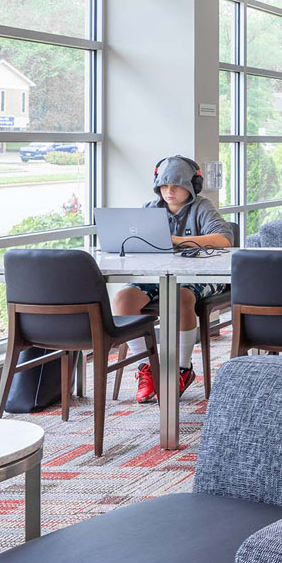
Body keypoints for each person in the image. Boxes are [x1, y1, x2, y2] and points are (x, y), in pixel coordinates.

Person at [111, 155, 233, 403]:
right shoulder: (149, 209)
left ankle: (182, 369)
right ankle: (148, 369)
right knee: (123, 299)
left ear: (192, 186)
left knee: (179, 297)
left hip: (200, 276)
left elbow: (224, 239)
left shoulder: (202, 207)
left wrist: (176, 241)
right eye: (164, 186)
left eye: (176, 186)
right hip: (157, 275)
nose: (169, 192)